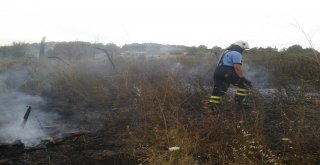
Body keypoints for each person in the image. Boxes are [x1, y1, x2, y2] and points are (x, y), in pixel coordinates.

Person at [209, 40, 252, 108]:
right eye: (243, 49)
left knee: (217, 91)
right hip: (227, 72)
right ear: (240, 47)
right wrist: (242, 78)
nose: (243, 50)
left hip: (217, 72)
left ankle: (212, 109)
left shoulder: (225, 52)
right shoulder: (237, 53)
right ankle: (239, 103)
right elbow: (237, 67)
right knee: (244, 85)